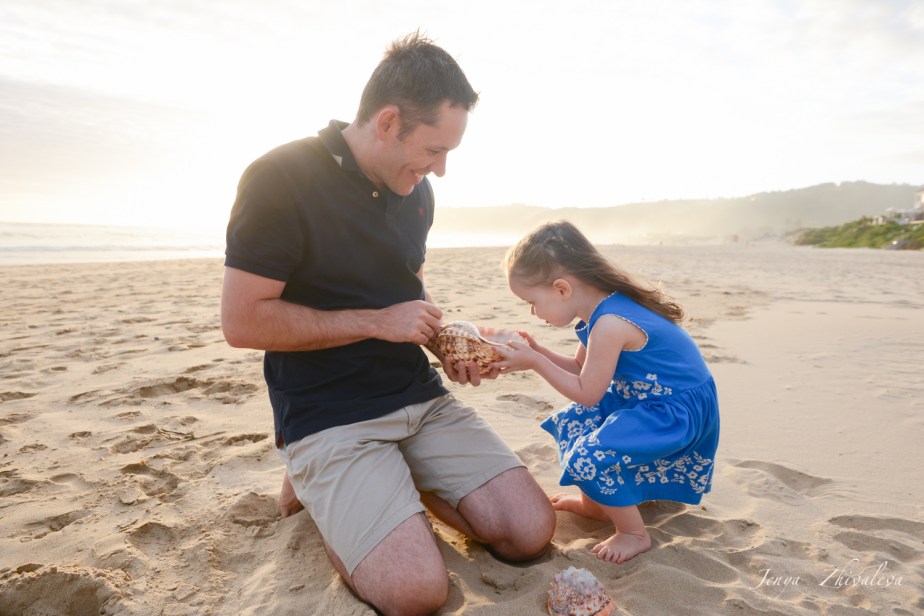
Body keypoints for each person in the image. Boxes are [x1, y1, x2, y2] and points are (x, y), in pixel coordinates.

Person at [220, 33, 554, 616]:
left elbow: (410, 289)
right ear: (388, 122)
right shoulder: (280, 177)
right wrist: (377, 322)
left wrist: (447, 344)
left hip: (416, 395)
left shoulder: (416, 192)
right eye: (434, 149)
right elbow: (242, 321)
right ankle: (321, 486)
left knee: (530, 531)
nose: (440, 169)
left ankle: (392, 482)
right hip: (327, 413)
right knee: (416, 592)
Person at [493, 220, 720, 564]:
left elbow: (588, 393)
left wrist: (536, 363)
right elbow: (579, 369)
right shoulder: (598, 312)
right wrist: (537, 352)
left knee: (587, 456)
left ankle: (634, 533)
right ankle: (596, 506)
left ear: (562, 289)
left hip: (672, 412)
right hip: (646, 398)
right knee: (573, 422)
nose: (533, 312)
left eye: (532, 302)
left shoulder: (610, 323)